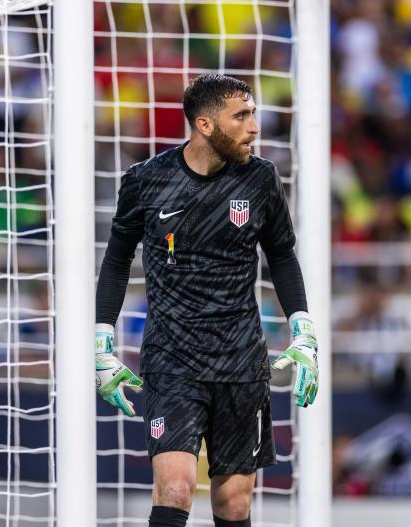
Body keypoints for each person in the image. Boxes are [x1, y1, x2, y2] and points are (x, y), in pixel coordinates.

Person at [93, 74, 318, 527]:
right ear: (205, 125)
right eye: (242, 116)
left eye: (252, 113)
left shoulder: (261, 179)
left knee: (233, 503)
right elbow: (117, 262)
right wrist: (102, 341)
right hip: (172, 359)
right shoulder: (145, 182)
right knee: (175, 489)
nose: (254, 126)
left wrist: (303, 328)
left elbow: (282, 257)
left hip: (240, 361)